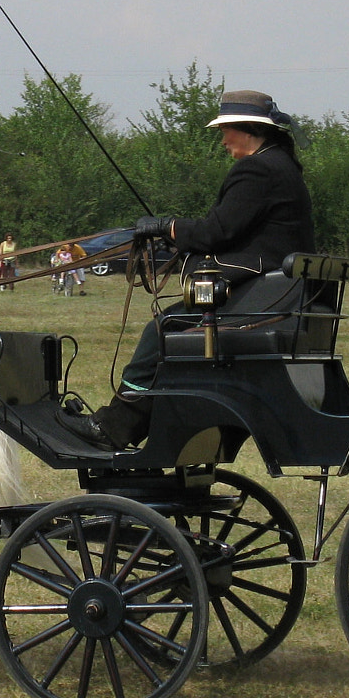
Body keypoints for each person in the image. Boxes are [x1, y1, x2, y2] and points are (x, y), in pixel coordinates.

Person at [62, 89, 315, 449]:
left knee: (161, 330)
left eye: (227, 130)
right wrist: (179, 239)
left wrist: (166, 227)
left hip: (259, 301)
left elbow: (217, 231)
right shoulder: (282, 166)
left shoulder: (257, 170)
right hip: (277, 295)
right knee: (168, 325)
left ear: (247, 130)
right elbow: (239, 234)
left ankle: (116, 426)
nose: (224, 140)